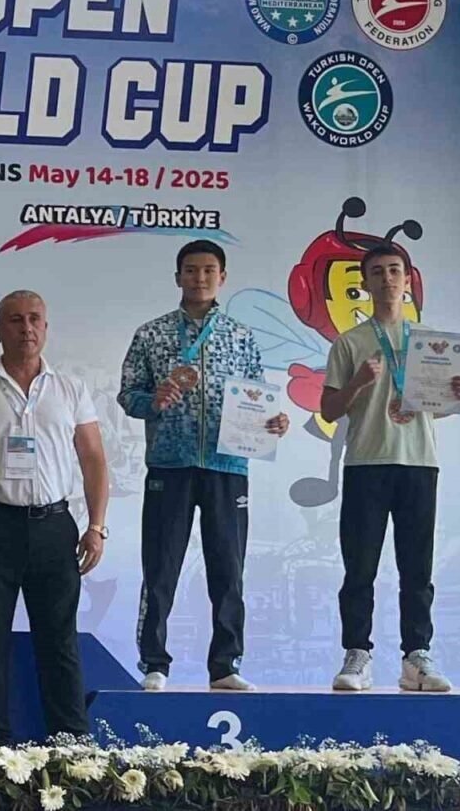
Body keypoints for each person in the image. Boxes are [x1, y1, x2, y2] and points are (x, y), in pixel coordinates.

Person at [0, 290, 108, 743]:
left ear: (46, 328)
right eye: (15, 320)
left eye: (34, 319)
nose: (25, 328)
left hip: (55, 527)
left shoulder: (71, 389)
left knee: (60, 639)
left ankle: (71, 744)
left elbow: (93, 459)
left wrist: (96, 527)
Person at [118, 240, 288, 691]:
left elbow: (258, 398)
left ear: (222, 277)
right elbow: (128, 395)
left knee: (228, 569)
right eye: (191, 270)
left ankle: (225, 665)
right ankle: (154, 663)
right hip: (169, 465)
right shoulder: (151, 334)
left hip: (227, 466)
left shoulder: (240, 336)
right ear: (178, 277)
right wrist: (152, 401)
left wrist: (274, 421)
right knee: (161, 568)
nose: (199, 278)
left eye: (209, 270)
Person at [320, 243, 460, 692]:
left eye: (394, 271)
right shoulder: (350, 343)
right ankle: (357, 654)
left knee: (417, 568)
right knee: (360, 568)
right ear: (365, 282)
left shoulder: (432, 344)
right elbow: (329, 410)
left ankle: (416, 656)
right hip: (366, 463)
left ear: (407, 280)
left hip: (418, 463)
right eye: (377, 272)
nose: (387, 279)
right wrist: (358, 382)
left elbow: (436, 406)